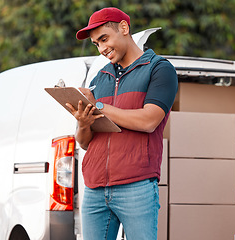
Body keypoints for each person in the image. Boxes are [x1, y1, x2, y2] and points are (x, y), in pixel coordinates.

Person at [66, 7, 178, 240]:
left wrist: (99, 107)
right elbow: (84, 143)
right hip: (95, 189)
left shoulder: (159, 69)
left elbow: (149, 121)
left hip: (136, 186)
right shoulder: (100, 78)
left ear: (124, 28)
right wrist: (84, 123)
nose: (102, 49)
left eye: (104, 39)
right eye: (97, 44)